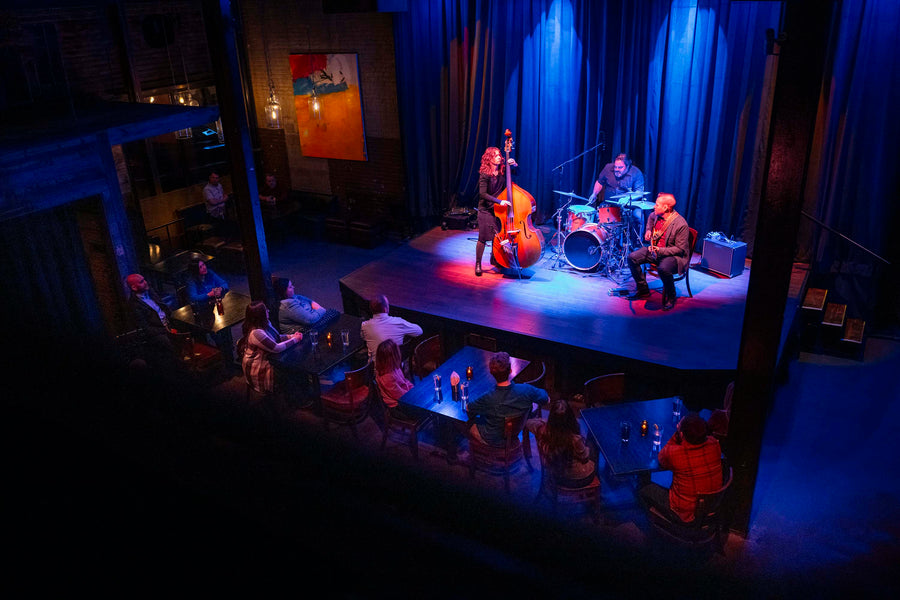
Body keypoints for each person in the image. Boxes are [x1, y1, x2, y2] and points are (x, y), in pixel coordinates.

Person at [638, 412, 723, 523]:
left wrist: (677, 434)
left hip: (684, 514)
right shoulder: (714, 444)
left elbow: (661, 458)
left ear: (682, 434)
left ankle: (657, 524)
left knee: (643, 487)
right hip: (711, 507)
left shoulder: (675, 454)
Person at [466, 351, 549, 447]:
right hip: (515, 433)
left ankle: (466, 453)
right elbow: (545, 399)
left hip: (493, 439)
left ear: (491, 372)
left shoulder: (488, 397)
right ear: (510, 371)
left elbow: (469, 408)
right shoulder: (526, 389)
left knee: (467, 423)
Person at [624, 193, 691, 311]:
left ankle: (671, 296)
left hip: (673, 256)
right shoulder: (656, 215)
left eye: (657, 205)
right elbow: (650, 217)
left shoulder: (681, 224)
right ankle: (643, 289)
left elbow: (680, 249)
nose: (654, 207)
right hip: (655, 251)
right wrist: (648, 230)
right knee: (632, 257)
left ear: (665, 208)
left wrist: (660, 250)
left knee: (663, 268)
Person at [236, 301, 302, 397]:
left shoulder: (265, 323)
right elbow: (276, 348)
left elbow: (277, 337)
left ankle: (298, 395)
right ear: (260, 315)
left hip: (269, 360)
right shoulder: (256, 333)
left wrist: (292, 336)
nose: (268, 311)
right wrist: (295, 340)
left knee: (295, 363)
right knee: (290, 370)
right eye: (265, 310)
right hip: (259, 368)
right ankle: (295, 399)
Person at [526, 398, 596, 487]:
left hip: (555, 475)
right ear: (571, 418)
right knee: (592, 445)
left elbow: (528, 422)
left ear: (551, 417)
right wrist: (586, 449)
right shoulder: (575, 439)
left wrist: (545, 423)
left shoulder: (542, 430)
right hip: (576, 480)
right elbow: (585, 458)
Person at [475, 146, 516, 276]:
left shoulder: (503, 171)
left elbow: (516, 174)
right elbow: (483, 194)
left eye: (499, 155)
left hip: (499, 210)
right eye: (496, 155)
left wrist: (514, 165)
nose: (499, 157)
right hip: (486, 209)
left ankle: (495, 260)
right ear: (489, 158)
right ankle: (478, 263)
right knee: (483, 238)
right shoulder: (484, 174)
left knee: (497, 237)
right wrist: (499, 201)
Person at [588, 152, 646, 243]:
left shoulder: (636, 173)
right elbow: (600, 182)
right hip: (610, 203)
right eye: (615, 167)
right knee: (597, 215)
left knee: (638, 216)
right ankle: (600, 242)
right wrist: (594, 194)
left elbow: (639, 192)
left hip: (629, 204)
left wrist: (627, 199)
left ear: (627, 166)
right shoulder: (608, 168)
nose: (616, 170)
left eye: (620, 167)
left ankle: (636, 244)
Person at [125, 273, 178, 370]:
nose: (145, 283)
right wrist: (166, 330)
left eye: (144, 279)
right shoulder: (134, 305)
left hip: (168, 323)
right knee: (168, 343)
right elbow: (146, 328)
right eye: (141, 282)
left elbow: (163, 307)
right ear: (134, 287)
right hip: (158, 332)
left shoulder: (150, 291)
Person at [373, 338, 424, 422]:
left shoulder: (394, 368)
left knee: (424, 396)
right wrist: (415, 395)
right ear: (393, 357)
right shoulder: (387, 377)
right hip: (397, 407)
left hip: (405, 398)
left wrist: (413, 389)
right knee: (426, 408)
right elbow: (401, 396)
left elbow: (405, 381)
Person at [360, 294, 423, 361]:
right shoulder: (399, 322)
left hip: (374, 370)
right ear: (385, 309)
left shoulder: (364, 326)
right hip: (396, 367)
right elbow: (419, 331)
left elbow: (363, 337)